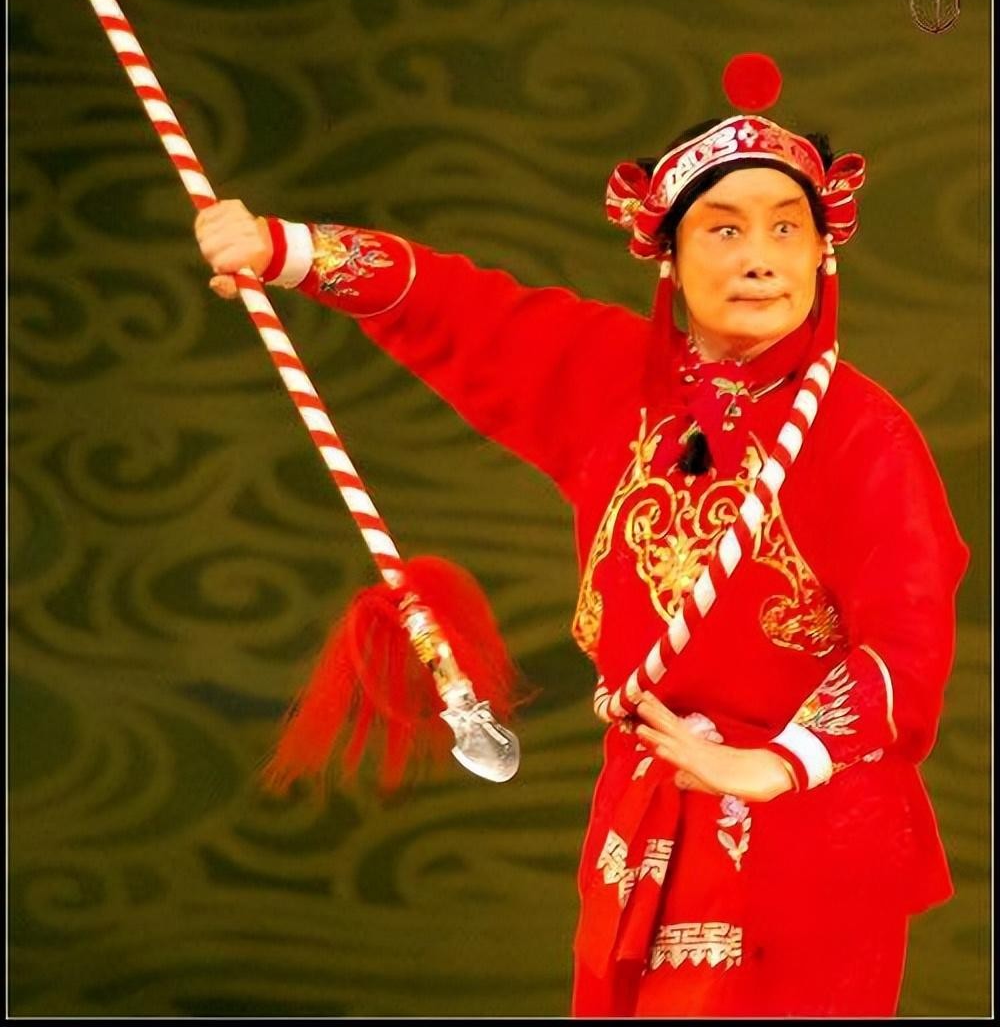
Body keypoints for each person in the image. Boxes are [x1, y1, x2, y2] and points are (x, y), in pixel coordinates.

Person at [193, 58, 969, 1017]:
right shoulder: (616, 382)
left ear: (822, 253)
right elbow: (463, 313)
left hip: (807, 834)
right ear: (669, 255)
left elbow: (907, 639)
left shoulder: (865, 434)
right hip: (642, 831)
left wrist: (777, 763)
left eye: (786, 229)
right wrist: (284, 250)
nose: (760, 257)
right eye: (724, 230)